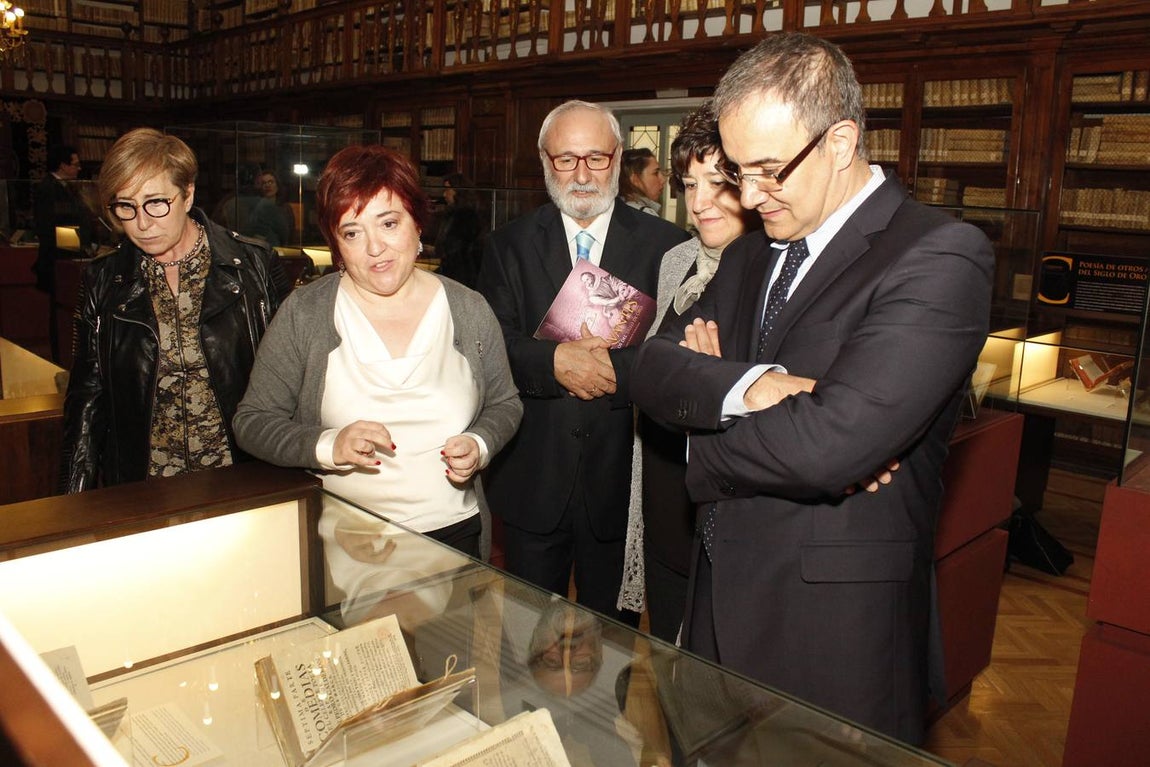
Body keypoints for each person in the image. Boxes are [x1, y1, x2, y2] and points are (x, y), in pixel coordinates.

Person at [631, 33, 994, 744]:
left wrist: (704, 434)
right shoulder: (756, 247)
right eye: (738, 171)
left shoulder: (940, 255)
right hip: (712, 611)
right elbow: (650, 366)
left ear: (840, 142)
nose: (750, 194)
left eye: (768, 169)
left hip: (830, 639)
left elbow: (831, 445)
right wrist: (756, 386)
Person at [233, 144, 522, 560]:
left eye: (388, 223)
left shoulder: (468, 308)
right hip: (344, 539)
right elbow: (253, 422)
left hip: (454, 536)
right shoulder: (306, 312)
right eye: (352, 232)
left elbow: (505, 403)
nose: (374, 248)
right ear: (335, 242)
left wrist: (480, 442)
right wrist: (327, 445)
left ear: (417, 223)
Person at [476, 100, 689, 622]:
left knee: (612, 650)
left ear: (617, 158)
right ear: (545, 162)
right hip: (533, 480)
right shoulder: (509, 246)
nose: (582, 173)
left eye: (595, 157)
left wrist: (618, 369)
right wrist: (554, 362)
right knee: (525, 641)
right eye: (566, 159)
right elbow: (490, 343)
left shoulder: (670, 248)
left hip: (624, 484)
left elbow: (681, 353)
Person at [59, 128, 288, 492]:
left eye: (155, 202)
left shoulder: (254, 266)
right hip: (145, 487)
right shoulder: (103, 280)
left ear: (187, 194)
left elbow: (291, 385)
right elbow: (87, 398)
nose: (142, 223)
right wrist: (73, 502)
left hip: (242, 481)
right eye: (126, 207)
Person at [616, 101, 759, 642]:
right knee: (669, 666)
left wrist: (713, 379)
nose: (698, 204)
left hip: (720, 510)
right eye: (688, 184)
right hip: (660, 495)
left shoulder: (771, 269)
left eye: (716, 184)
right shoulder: (678, 261)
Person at [32, 144, 90, 360]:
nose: (78, 168)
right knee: (60, 310)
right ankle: (60, 355)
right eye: (75, 164)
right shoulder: (48, 188)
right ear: (63, 165)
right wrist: (74, 246)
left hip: (69, 254)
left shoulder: (67, 186)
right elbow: (51, 226)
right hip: (58, 258)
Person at [434, 172, 485, 288]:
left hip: (461, 274)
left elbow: (454, 248)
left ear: (458, 191)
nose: (444, 194)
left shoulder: (467, 216)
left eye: (447, 190)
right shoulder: (454, 214)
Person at [244, 170, 295, 247]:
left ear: (277, 185)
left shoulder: (285, 208)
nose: (267, 185)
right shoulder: (256, 207)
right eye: (264, 183)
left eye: (271, 182)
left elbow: (289, 234)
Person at [618, 147, 665, 215]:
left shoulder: (617, 208)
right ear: (635, 179)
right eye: (655, 173)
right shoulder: (645, 214)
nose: (663, 180)